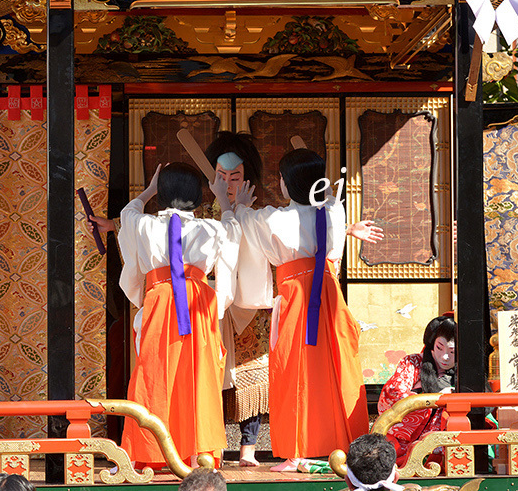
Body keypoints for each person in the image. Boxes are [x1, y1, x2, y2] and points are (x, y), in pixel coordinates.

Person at [233, 148, 371, 469]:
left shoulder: (276, 219)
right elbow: (328, 203)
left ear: (285, 184)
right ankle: (348, 445)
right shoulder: (334, 212)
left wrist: (236, 204)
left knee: (294, 372)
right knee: (337, 369)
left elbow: (245, 222)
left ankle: (297, 452)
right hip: (330, 297)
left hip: (297, 298)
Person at [118, 163, 241, 466]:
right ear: (199, 196)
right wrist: (223, 200)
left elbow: (127, 214)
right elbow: (232, 234)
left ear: (162, 193)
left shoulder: (144, 225)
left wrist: (148, 190)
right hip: (198, 304)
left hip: (160, 301)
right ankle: (198, 452)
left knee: (154, 375)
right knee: (199, 375)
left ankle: (152, 455)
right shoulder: (211, 228)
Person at [205, 131, 270, 467]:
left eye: (235, 176)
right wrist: (114, 225)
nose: (228, 182)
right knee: (210, 370)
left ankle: (248, 447)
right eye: (221, 176)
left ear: (248, 178)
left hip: (250, 304)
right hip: (212, 301)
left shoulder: (261, 211)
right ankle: (209, 443)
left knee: (250, 374)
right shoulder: (202, 211)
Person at [377, 315, 456, 465]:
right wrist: (435, 399)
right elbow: (393, 391)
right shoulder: (412, 362)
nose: (445, 357)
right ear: (432, 343)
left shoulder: (466, 370)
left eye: (452, 352)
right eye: (440, 347)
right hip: (406, 444)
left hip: (448, 446)